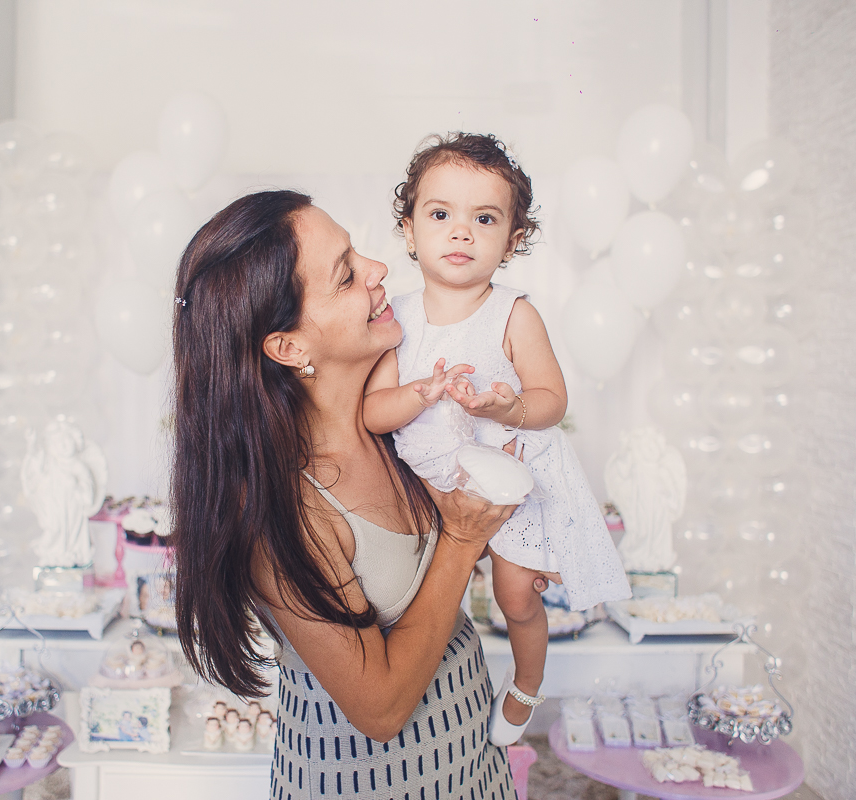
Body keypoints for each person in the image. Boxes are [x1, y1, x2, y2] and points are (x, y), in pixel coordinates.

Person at [171, 190, 538, 799]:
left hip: (472, 769)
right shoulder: (281, 509)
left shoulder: (401, 418)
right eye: (346, 275)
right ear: (288, 347)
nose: (379, 270)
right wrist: (463, 538)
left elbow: (426, 570)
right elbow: (380, 708)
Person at [363, 133, 631, 745]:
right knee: (413, 596)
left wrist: (511, 405)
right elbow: (376, 414)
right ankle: (419, 690)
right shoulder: (394, 321)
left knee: (515, 596)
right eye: (440, 215)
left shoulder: (513, 313)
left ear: (512, 241)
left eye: (484, 219)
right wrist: (421, 395)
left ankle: (526, 682)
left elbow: (551, 401)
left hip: (510, 476)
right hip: (429, 485)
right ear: (409, 231)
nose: (462, 233)